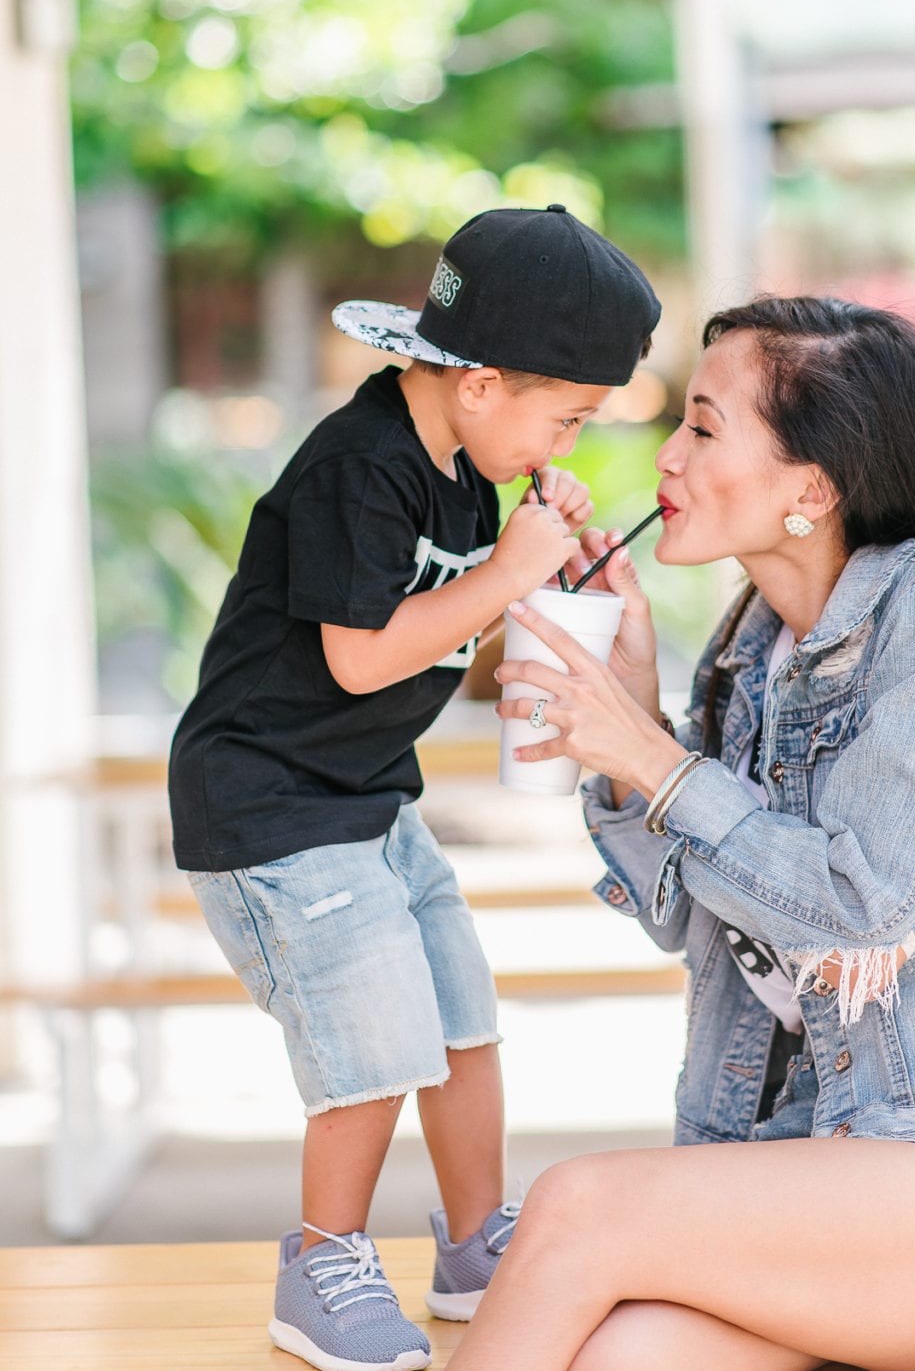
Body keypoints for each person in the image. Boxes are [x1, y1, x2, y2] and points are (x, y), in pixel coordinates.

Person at [463, 294, 915, 1371]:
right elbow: (687, 913)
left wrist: (659, 763)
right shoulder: (751, 652)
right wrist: (640, 731)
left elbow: (865, 906)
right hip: (820, 1167)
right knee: (625, 1354)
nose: (666, 456)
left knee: (576, 1208)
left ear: (812, 486)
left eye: (704, 427)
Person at [168, 204, 661, 1371]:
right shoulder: (362, 466)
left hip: (368, 796)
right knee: (374, 1037)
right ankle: (323, 1261)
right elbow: (363, 655)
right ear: (481, 384)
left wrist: (546, 579)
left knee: (459, 1015)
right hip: (271, 805)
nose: (571, 447)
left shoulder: (468, 470)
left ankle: (474, 1245)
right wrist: (503, 571)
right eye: (569, 418)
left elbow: (457, 647)